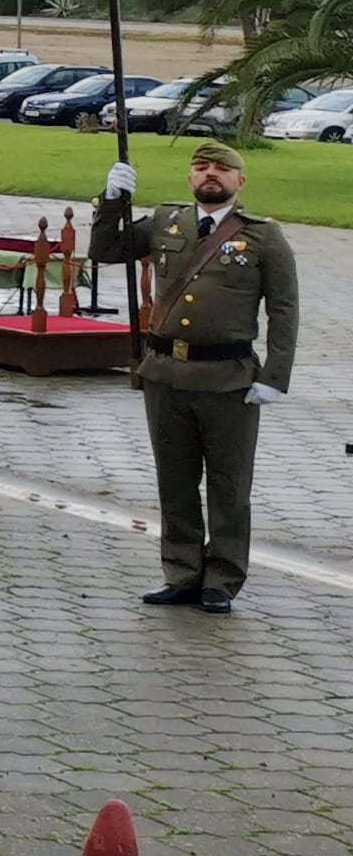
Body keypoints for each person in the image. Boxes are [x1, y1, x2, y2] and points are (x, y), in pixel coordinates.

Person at [90, 142, 300, 615]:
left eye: (222, 169)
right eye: (202, 167)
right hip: (167, 374)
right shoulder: (166, 223)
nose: (211, 175)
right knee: (175, 481)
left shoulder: (264, 237)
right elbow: (105, 250)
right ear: (190, 179)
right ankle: (182, 572)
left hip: (228, 379)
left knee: (228, 486)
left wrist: (275, 376)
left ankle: (222, 579)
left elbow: (284, 310)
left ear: (239, 182)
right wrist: (111, 200)